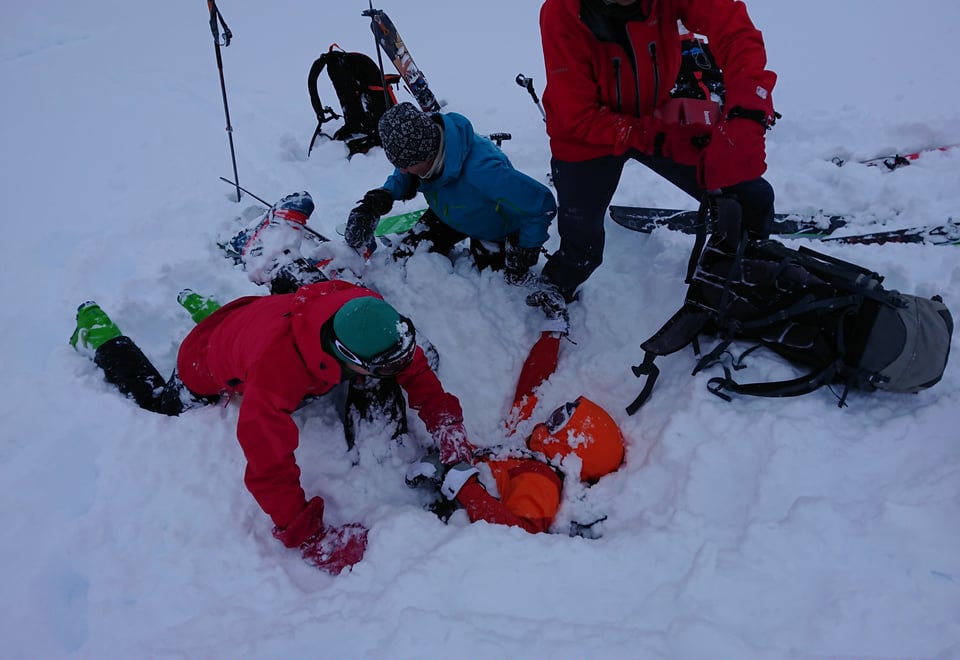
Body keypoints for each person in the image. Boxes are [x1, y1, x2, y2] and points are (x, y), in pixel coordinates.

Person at [69, 280, 476, 575]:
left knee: (367, 370)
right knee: (162, 403)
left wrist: (446, 424)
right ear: (344, 353)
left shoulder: (366, 311)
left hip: (250, 318)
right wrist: (307, 535)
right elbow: (267, 461)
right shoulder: (279, 371)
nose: (397, 369)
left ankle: (206, 310)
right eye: (385, 366)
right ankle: (100, 335)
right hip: (207, 358)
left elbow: (414, 368)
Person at [530, 0, 778, 319]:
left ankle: (739, 273)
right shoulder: (563, 11)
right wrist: (658, 138)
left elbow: (733, 28)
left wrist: (748, 110)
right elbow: (576, 115)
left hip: (654, 115)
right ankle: (558, 286)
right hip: (586, 138)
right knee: (581, 241)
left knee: (749, 197)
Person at [344, 102, 558, 288]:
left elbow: (542, 205)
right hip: (448, 213)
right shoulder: (423, 151)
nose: (402, 171)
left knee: (499, 288)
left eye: (406, 164)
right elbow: (405, 175)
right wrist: (380, 198)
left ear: (428, 154)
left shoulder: (483, 171)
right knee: (404, 258)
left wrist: (526, 248)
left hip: (494, 228)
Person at [406, 396, 626, 534]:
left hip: (437, 525)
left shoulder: (542, 479)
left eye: (559, 421)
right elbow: (531, 390)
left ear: (573, 446)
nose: (550, 419)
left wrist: (464, 485)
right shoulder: (530, 454)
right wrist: (552, 335)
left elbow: (521, 534)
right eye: (560, 411)